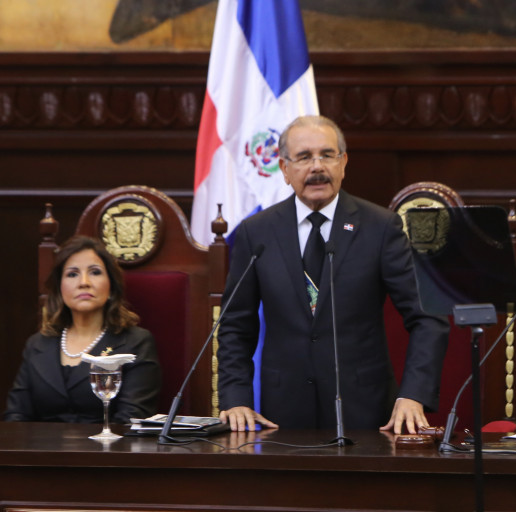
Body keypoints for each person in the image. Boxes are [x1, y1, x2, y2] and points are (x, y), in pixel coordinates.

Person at [217, 115, 449, 434]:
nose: (317, 167)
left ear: (343, 163)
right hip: (284, 413)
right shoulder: (256, 232)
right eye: (304, 157)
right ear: (284, 169)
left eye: (327, 155)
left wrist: (413, 394)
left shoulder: (380, 227)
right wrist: (235, 399)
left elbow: (427, 317)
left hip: (365, 412)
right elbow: (235, 325)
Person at [4, 236, 161, 423]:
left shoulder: (136, 342)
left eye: (95, 272)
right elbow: (16, 416)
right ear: (60, 288)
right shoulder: (37, 344)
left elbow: (130, 421)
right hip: (39, 443)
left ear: (111, 286)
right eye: (72, 274)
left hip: (109, 442)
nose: (84, 282)